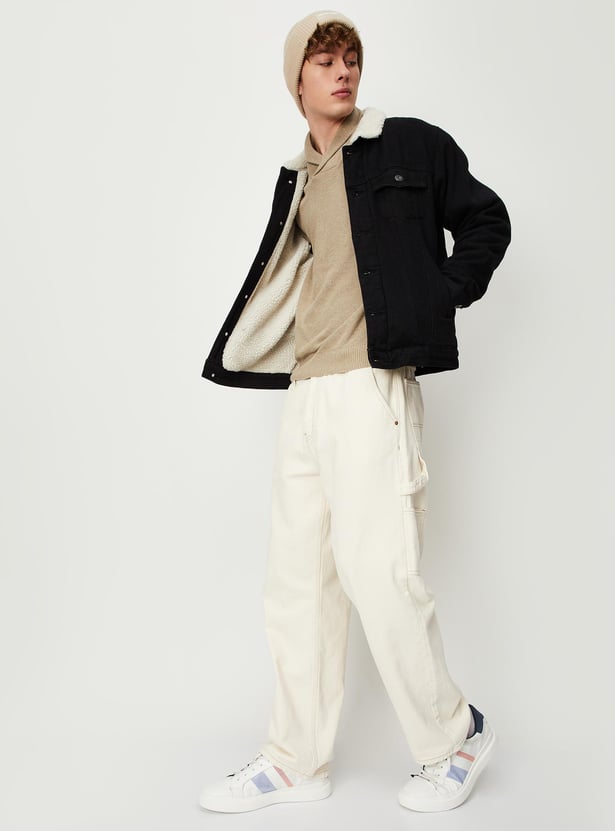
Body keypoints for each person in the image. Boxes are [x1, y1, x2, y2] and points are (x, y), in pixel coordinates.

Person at [198, 9, 511, 814]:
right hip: (306, 391)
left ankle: (453, 736)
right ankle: (295, 759)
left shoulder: (407, 145)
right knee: (297, 583)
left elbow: (486, 218)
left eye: (350, 57)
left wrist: (439, 295)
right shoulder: (297, 176)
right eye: (323, 59)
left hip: (371, 387)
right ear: (295, 80)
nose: (342, 70)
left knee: (379, 571)